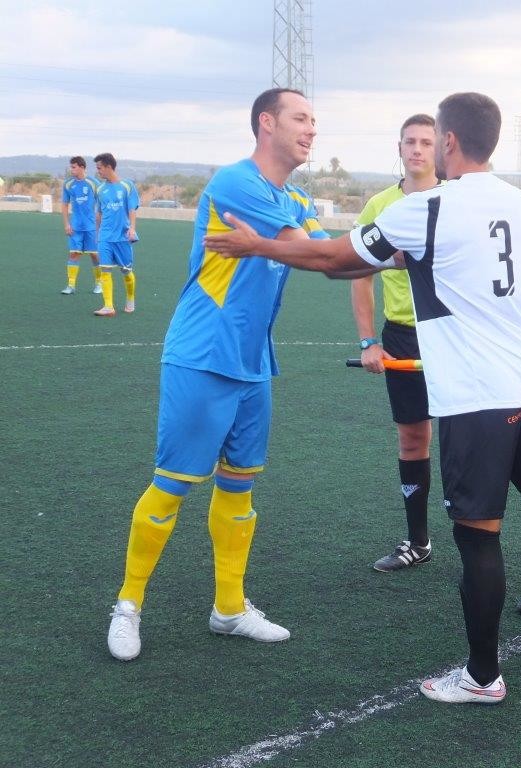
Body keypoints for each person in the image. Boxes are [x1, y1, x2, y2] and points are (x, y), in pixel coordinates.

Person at [205, 91, 521, 703]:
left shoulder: (428, 208)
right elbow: (456, 270)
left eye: (433, 136)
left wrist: (259, 245)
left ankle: (482, 677)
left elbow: (338, 260)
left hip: (476, 397)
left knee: (479, 536)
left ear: (447, 141)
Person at [105, 88, 330, 662]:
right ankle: (128, 605)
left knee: (239, 484)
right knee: (174, 484)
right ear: (266, 123)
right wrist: (371, 251)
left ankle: (229, 608)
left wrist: (398, 248)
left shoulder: (293, 197)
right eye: (300, 118)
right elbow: (310, 252)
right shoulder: (237, 184)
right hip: (203, 355)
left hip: (253, 363)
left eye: (314, 121)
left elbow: (337, 253)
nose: (311, 130)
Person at [350, 114, 440, 572]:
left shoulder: (455, 199)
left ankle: (475, 537)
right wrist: (369, 340)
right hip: (403, 334)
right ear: (399, 147)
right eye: (411, 142)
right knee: (412, 437)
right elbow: (360, 274)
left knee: (468, 438)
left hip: (453, 334)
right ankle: (418, 540)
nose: (418, 149)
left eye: (427, 141)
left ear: (440, 146)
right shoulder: (381, 206)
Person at [92, 153, 139, 316]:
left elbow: (132, 209)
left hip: (122, 236)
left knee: (126, 272)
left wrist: (132, 228)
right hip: (105, 236)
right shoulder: (100, 189)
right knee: (105, 269)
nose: (98, 172)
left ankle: (130, 300)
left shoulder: (127, 186)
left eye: (99, 168)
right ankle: (108, 306)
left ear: (108, 167)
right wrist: (97, 234)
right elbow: (98, 214)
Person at [60, 156, 102, 295]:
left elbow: (102, 201)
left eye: (74, 167)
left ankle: (98, 283)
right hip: (75, 227)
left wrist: (99, 221)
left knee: (95, 255)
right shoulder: (68, 184)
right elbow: (65, 205)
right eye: (71, 167)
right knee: (74, 254)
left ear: (82, 167)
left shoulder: (93, 182)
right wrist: (67, 224)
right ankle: (71, 285)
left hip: (91, 227)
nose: (71, 170)